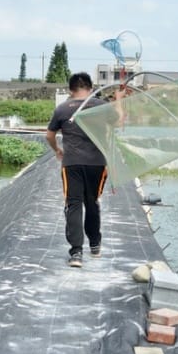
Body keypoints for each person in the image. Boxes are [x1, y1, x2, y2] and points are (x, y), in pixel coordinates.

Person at [46, 72, 111, 268]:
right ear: (91, 88)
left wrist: (57, 150)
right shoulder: (101, 106)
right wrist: (119, 99)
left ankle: (76, 253)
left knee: (73, 204)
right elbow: (119, 121)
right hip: (97, 163)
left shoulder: (62, 109)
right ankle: (95, 245)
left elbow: (49, 135)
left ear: (70, 90)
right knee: (92, 202)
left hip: (72, 163)